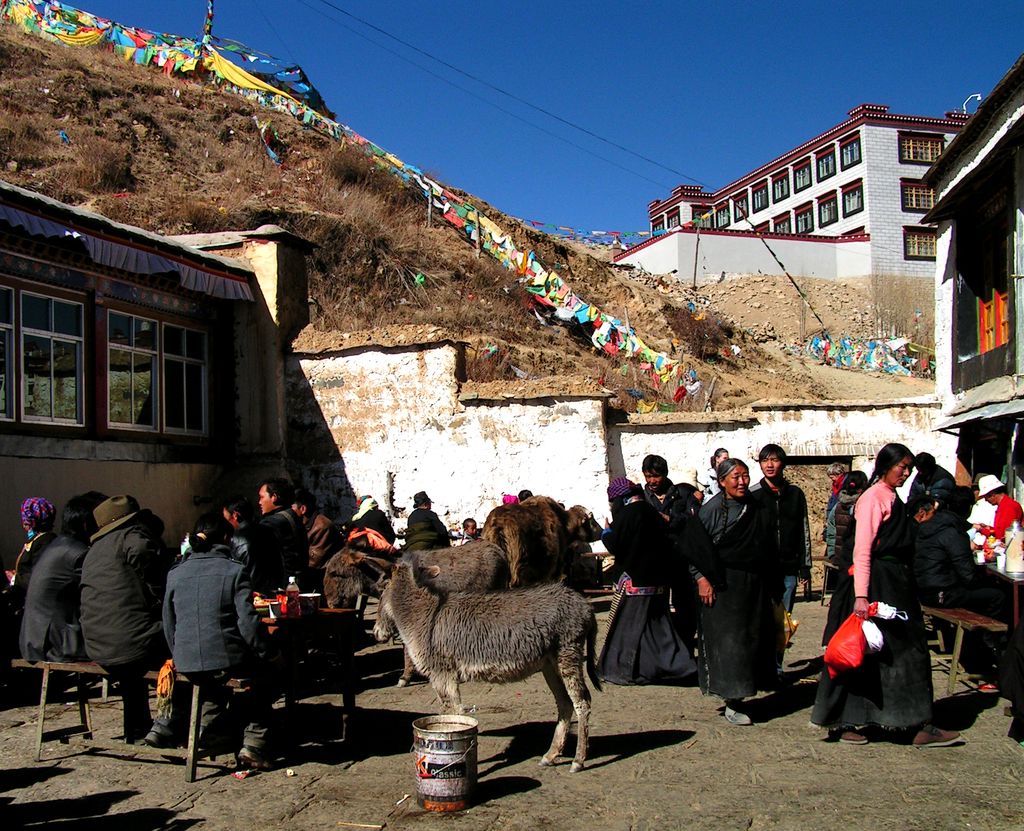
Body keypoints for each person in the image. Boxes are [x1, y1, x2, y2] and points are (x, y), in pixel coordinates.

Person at [810, 443, 962, 747]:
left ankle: (911, 721)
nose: (905, 473)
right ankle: (847, 720)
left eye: (908, 469)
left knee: (899, 653)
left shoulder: (892, 496)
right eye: (900, 467)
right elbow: (862, 550)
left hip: (896, 583)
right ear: (884, 466)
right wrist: (862, 596)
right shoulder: (873, 498)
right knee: (865, 652)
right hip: (878, 585)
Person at [163, 512, 281, 770]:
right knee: (268, 674)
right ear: (226, 538)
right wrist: (267, 652)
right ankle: (254, 743)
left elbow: (168, 622)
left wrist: (180, 653)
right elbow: (248, 625)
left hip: (185, 660)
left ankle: (214, 731)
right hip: (224, 659)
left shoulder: (176, 573)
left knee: (211, 680)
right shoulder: (234, 571)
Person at [685, 458, 780, 725]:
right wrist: (701, 578)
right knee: (730, 644)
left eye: (745, 476)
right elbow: (696, 548)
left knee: (753, 640)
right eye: (735, 477)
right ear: (722, 481)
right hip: (723, 585)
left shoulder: (757, 507)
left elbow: (768, 546)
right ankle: (732, 700)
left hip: (754, 584)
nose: (741, 482)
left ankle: (749, 689)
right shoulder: (712, 509)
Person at [80, 495, 177, 746]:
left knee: (131, 650)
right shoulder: (132, 539)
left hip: (97, 644)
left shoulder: (93, 551)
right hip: (131, 644)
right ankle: (170, 722)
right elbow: (157, 577)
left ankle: (137, 727)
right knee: (182, 647)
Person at [597, 477, 696, 686]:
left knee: (629, 629)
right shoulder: (652, 512)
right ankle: (678, 665)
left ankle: (622, 669)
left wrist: (605, 533)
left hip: (636, 581)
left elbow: (616, 545)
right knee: (658, 628)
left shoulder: (627, 514)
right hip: (659, 579)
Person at [914, 486, 1006, 680]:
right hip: (942, 593)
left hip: (925, 590)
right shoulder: (953, 532)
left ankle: (981, 646)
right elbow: (968, 576)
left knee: (985, 593)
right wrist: (987, 577)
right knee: (997, 595)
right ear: (968, 508)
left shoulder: (930, 525)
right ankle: (987, 646)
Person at [19, 492, 106, 663]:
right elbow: (104, 593)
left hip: (38, 640)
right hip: (56, 644)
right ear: (87, 524)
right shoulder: (77, 554)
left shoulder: (59, 545)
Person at [640, 454, 701, 651]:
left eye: (655, 476)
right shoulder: (642, 497)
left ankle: (685, 644)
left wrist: (671, 519)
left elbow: (693, 518)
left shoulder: (681, 494)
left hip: (680, 557)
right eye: (648, 476)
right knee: (657, 605)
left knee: (684, 603)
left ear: (664, 475)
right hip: (655, 559)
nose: (651, 481)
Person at [750, 444, 811, 617]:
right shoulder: (753, 495)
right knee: (763, 615)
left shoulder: (795, 494)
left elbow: (803, 530)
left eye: (774, 460)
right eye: (764, 460)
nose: (769, 465)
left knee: (784, 617)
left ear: (782, 464)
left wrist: (804, 566)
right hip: (762, 567)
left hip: (789, 566)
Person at [223, 495, 285, 597]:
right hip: (274, 593)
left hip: (252, 595)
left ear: (235, 515)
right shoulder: (269, 531)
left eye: (225, 518)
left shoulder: (235, 539)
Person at [257, 478, 309, 588]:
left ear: (274, 497)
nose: (259, 502)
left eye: (262, 497)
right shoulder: (294, 517)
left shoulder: (270, 523)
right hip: (301, 580)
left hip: (280, 585)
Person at [10, 498, 58, 611]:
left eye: (25, 522)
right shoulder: (38, 540)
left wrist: (15, 579)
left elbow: (38, 577)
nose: (23, 525)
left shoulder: (44, 543)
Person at [292, 488, 341, 594]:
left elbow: (313, 563)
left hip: (324, 584)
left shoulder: (322, 527)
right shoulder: (303, 526)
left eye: (291, 508)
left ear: (302, 509)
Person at [825, 471, 868, 566]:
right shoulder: (866, 506)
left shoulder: (837, 506)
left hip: (840, 560)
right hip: (860, 562)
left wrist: (832, 553)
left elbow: (831, 531)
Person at [977, 475, 1024, 540]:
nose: (985, 500)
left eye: (986, 497)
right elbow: (1000, 530)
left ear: (992, 494)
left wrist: (980, 529)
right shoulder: (1004, 506)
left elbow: (1001, 535)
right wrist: (988, 528)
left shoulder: (1008, 507)